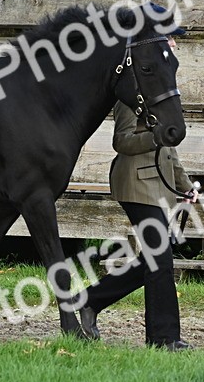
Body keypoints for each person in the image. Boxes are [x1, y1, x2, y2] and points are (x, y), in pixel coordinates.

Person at [78, 31, 197, 350]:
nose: (174, 44)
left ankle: (90, 300)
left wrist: (185, 186)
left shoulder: (161, 87)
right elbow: (123, 141)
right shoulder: (133, 91)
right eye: (171, 38)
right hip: (135, 182)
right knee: (161, 260)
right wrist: (155, 137)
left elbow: (171, 150)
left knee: (154, 259)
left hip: (159, 183)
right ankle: (163, 338)